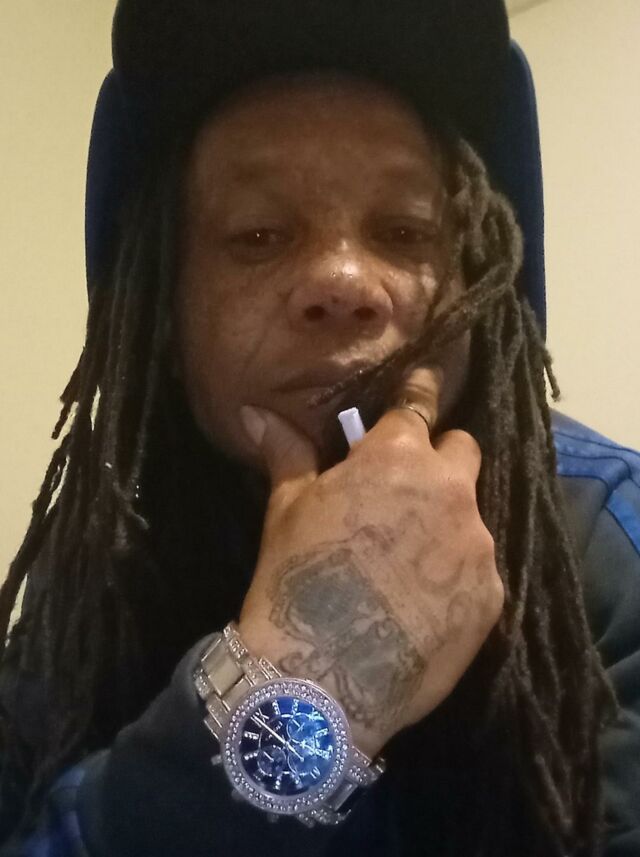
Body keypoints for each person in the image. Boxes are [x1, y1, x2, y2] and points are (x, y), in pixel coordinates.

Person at [1, 1, 639, 855]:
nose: (342, 281)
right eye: (259, 234)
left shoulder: (611, 544)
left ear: (480, 284)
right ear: (163, 314)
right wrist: (299, 692)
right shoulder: (93, 573)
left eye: (403, 231)